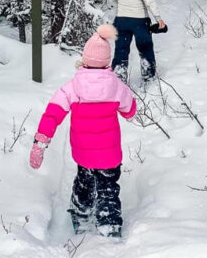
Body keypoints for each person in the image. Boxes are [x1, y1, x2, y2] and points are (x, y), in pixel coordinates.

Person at [29, 24, 137, 238]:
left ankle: (81, 213)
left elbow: (52, 114)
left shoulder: (72, 87)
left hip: (84, 154)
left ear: (85, 59)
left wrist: (40, 142)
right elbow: (130, 111)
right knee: (108, 188)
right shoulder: (116, 86)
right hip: (109, 155)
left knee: (84, 182)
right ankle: (109, 223)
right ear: (108, 61)